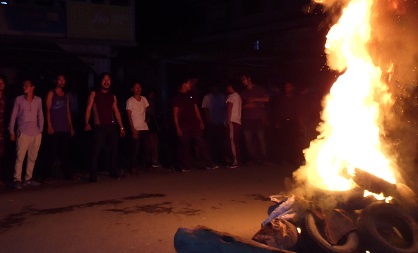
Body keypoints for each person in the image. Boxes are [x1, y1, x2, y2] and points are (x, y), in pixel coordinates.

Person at [84, 73, 125, 182]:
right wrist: (86, 122)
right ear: (100, 81)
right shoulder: (94, 93)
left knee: (114, 150)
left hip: (111, 126)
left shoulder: (112, 96)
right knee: (96, 151)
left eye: (108, 80)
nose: (106, 82)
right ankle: (92, 175)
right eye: (104, 80)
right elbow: (88, 108)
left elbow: (116, 112)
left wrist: (121, 127)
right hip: (99, 126)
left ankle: (113, 172)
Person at [172, 78, 218, 172]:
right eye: (188, 83)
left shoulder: (191, 94)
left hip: (194, 123)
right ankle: (185, 165)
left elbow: (196, 108)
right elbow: (175, 113)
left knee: (201, 142)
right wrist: (177, 127)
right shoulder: (177, 97)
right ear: (184, 84)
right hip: (184, 124)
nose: (190, 85)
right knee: (185, 145)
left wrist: (200, 121)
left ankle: (209, 163)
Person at [8, 78, 44, 189]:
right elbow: (13, 116)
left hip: (36, 133)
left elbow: (40, 115)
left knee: (32, 157)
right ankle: (17, 179)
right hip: (23, 132)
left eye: (27, 85)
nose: (24, 87)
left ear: (32, 87)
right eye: (24, 85)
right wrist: (11, 131)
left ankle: (28, 178)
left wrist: (41, 130)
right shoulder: (19, 99)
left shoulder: (38, 100)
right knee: (20, 157)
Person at [43, 74, 76, 181]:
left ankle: (68, 174)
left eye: (63, 80)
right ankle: (46, 175)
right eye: (59, 80)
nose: (61, 82)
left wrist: (71, 126)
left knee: (65, 152)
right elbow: (47, 110)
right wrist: (49, 125)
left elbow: (67, 111)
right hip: (55, 127)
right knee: (52, 152)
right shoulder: (51, 93)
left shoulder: (65, 95)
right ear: (56, 81)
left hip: (64, 127)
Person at [240, 74, 270, 164]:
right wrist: (246, 106)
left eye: (244, 79)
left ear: (249, 79)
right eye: (242, 80)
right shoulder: (243, 92)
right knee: (248, 140)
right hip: (247, 119)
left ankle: (264, 159)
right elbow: (239, 106)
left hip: (258, 118)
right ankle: (252, 159)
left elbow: (267, 99)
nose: (243, 81)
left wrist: (255, 99)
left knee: (261, 139)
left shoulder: (259, 89)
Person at [274, 82, 304, 166]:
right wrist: (277, 122)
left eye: (289, 87)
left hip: (293, 122)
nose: (287, 88)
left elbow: (299, 111)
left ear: (292, 88)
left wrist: (301, 123)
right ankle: (283, 159)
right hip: (284, 122)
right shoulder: (281, 98)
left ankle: (293, 159)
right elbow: (278, 111)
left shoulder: (296, 98)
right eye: (286, 87)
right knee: (283, 141)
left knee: (293, 142)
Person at [126, 82, 152, 172]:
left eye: (139, 87)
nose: (138, 89)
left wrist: (148, 118)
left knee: (147, 147)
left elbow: (147, 111)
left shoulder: (144, 99)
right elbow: (129, 115)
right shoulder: (130, 101)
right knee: (135, 149)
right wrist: (132, 128)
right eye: (136, 87)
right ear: (132, 89)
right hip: (136, 127)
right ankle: (133, 166)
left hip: (144, 127)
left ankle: (148, 165)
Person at [201, 85, 227, 164]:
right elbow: (205, 109)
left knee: (221, 141)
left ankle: (221, 158)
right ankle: (213, 158)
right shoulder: (207, 97)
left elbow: (225, 108)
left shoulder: (222, 96)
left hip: (221, 122)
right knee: (212, 141)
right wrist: (208, 119)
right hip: (212, 122)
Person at [225, 82, 242, 168]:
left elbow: (229, 108)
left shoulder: (231, 96)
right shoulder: (238, 96)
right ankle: (236, 160)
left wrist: (228, 120)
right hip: (238, 120)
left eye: (229, 87)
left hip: (232, 120)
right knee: (236, 140)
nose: (227, 88)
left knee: (232, 141)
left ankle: (235, 161)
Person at [146, 89, 162, 168]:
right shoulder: (146, 102)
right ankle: (151, 161)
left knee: (154, 144)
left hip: (152, 125)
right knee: (150, 144)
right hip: (148, 126)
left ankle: (154, 160)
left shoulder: (153, 103)